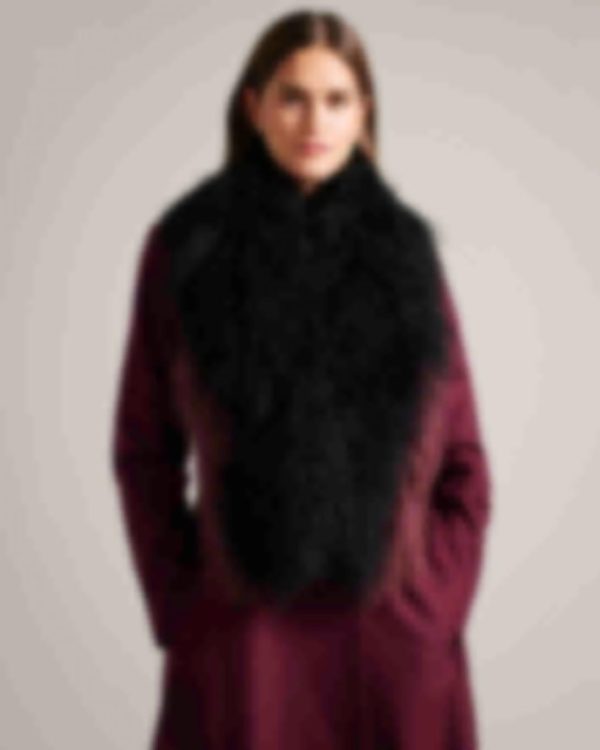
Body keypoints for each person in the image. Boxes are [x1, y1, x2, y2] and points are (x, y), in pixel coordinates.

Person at [111, 9, 493, 750]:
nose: (315, 121)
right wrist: (182, 605)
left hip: (395, 650)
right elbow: (143, 449)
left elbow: (464, 462)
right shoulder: (187, 252)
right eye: (292, 97)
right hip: (245, 650)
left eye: (336, 99)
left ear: (364, 113)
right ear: (253, 106)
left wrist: (435, 604)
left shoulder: (408, 258)